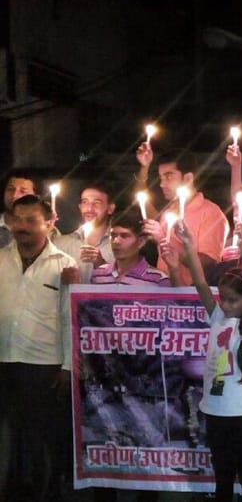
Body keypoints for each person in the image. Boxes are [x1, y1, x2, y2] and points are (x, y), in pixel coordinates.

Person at [61, 208, 171, 502]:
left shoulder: (157, 280)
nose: (117, 241)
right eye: (113, 236)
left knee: (144, 443)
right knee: (104, 439)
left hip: (140, 378)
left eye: (125, 236)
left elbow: (167, 324)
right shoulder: (98, 275)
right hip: (104, 378)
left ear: (140, 241)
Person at [176, 219, 242, 502]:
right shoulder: (217, 317)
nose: (225, 305)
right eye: (223, 299)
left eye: (232, 300)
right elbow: (200, 282)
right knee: (222, 470)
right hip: (215, 411)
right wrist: (189, 245)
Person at [0, 194, 77, 502]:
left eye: (31, 220)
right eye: (17, 219)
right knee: (8, 436)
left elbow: (69, 318)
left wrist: (68, 366)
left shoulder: (64, 264)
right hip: (4, 359)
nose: (22, 226)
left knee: (42, 439)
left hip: (44, 364)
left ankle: (47, 494)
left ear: (49, 222)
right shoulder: (1, 258)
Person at [136, 146, 227, 285]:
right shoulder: (170, 211)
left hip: (192, 295)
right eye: (161, 178)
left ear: (188, 178)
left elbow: (206, 265)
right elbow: (146, 208)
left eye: (168, 177)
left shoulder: (211, 213)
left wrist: (163, 239)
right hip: (164, 290)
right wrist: (144, 168)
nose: (162, 184)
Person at [53, 181, 116, 283]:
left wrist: (102, 266)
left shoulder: (120, 245)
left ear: (110, 208)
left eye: (97, 203)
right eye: (85, 202)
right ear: (80, 206)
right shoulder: (61, 244)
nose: (89, 208)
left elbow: (125, 285)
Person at [0, 169, 59, 248]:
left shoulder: (50, 232)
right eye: (11, 189)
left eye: (23, 191)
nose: (14, 195)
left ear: (36, 196)